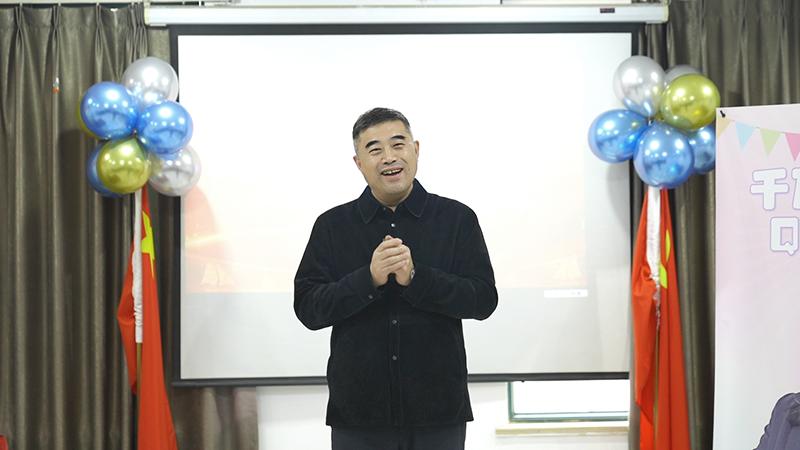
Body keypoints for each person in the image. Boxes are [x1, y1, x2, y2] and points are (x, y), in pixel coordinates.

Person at [294, 107, 498, 450]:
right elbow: (308, 308)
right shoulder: (332, 226)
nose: (389, 157)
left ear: (416, 150)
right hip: (358, 415)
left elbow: (482, 300)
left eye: (398, 144)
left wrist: (417, 279)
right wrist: (367, 280)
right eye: (374, 149)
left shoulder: (457, 219)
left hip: (438, 413)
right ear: (359, 163)